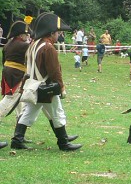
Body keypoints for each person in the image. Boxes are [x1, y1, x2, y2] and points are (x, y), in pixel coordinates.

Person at [11, 13, 81, 151]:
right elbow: (55, 71)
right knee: (57, 113)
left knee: (28, 113)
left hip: (33, 85)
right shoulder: (48, 47)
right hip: (46, 86)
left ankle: (17, 140)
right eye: (57, 33)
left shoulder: (34, 44)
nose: (58, 35)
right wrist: (61, 87)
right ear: (51, 33)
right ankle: (63, 143)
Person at [0, 20, 33, 149]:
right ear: (20, 35)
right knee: (8, 102)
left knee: (21, 105)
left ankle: (19, 135)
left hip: (9, 73)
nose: (27, 36)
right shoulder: (23, 45)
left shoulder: (9, 44)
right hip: (16, 75)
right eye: (25, 34)